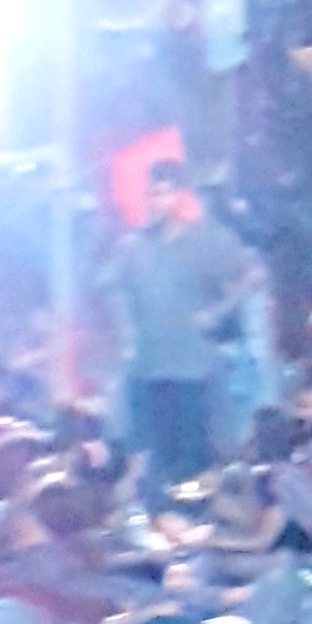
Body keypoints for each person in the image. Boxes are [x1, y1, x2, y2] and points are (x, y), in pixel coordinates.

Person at [106, 185, 265, 496]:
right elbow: (114, 291)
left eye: (163, 193)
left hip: (192, 366)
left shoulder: (203, 242)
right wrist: (124, 333)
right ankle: (158, 513)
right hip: (147, 365)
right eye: (151, 194)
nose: (156, 202)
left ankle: (194, 517)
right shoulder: (134, 248)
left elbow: (252, 274)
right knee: (152, 453)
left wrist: (218, 313)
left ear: (178, 196)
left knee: (192, 455)